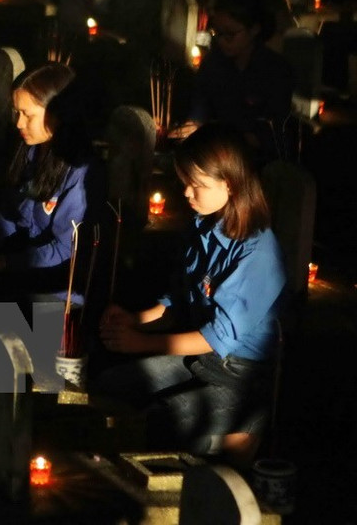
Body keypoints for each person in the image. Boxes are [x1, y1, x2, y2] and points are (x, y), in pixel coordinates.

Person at [96, 123, 285, 464]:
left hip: (242, 374)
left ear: (230, 183)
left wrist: (141, 343)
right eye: (185, 183)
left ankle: (240, 437)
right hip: (200, 360)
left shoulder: (257, 251)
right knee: (112, 385)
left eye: (197, 185)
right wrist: (135, 320)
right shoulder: (204, 225)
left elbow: (217, 337)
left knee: (163, 419)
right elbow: (179, 300)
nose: (186, 193)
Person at [0, 63, 99, 301]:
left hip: (57, 291)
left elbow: (65, 249)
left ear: (58, 113)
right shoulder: (32, 153)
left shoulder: (80, 171)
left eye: (28, 115)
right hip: (21, 273)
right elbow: (18, 221)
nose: (18, 123)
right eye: (17, 113)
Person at [171, 0, 293, 164]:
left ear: (254, 29)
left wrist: (213, 132)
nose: (221, 41)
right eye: (217, 33)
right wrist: (192, 126)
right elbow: (199, 107)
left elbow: (272, 136)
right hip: (216, 156)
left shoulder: (276, 71)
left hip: (258, 163)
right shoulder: (213, 64)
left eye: (230, 34)